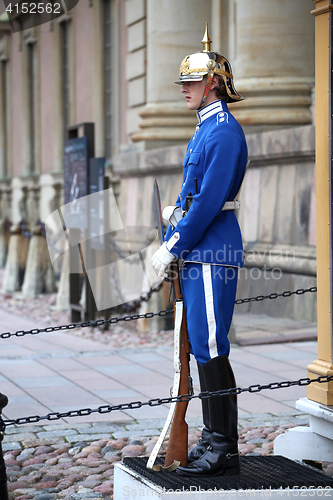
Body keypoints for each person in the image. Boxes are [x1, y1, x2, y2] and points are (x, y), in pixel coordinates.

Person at [151, 24, 248, 477]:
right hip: (201, 249)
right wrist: (176, 212)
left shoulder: (223, 131)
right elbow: (196, 194)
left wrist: (172, 244)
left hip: (211, 250)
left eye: (190, 82)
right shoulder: (207, 128)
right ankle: (213, 439)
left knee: (211, 344)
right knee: (202, 346)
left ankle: (221, 446)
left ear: (212, 83)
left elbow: (209, 202)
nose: (184, 90)